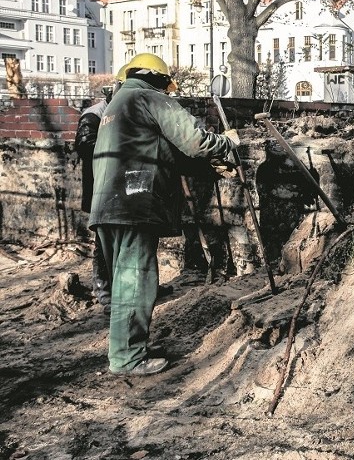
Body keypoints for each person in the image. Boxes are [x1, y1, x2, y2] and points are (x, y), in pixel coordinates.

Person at [89, 53, 239, 376]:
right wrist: (226, 144)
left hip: (106, 204)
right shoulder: (149, 97)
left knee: (123, 283)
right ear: (158, 79)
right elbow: (194, 140)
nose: (170, 93)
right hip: (133, 202)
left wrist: (206, 168)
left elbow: (164, 152)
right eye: (168, 87)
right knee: (136, 280)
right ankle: (127, 358)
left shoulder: (116, 106)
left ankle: (125, 348)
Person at [75, 86, 115, 313]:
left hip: (115, 186)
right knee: (104, 241)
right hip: (100, 187)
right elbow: (85, 145)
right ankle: (104, 290)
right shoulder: (94, 115)